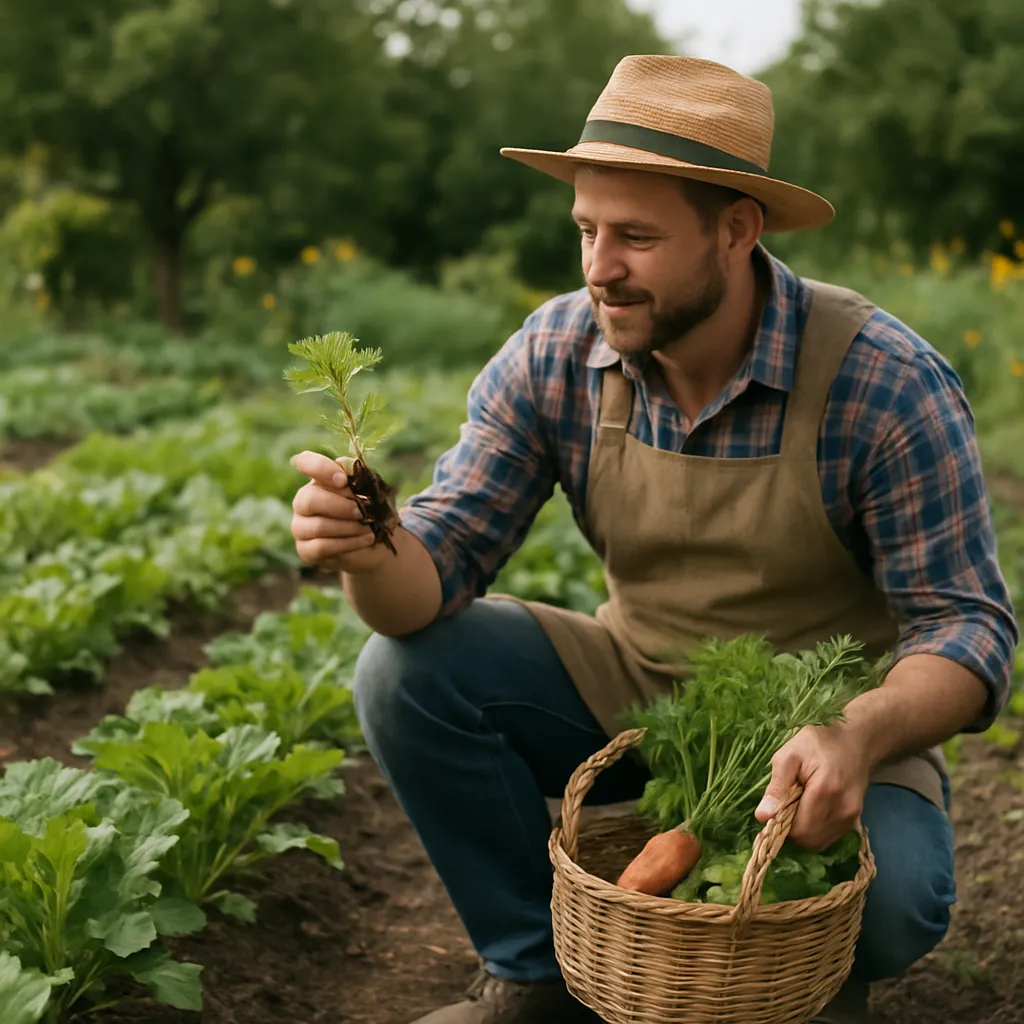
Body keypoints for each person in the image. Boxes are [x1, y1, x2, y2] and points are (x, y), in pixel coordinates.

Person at [289, 55, 1018, 1024]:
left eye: (634, 235)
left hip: (829, 731)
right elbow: (432, 578)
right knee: (402, 671)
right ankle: (538, 974)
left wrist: (857, 732)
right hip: (633, 691)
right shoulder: (556, 354)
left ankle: (800, 983)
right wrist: (368, 546)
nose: (597, 266)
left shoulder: (878, 381)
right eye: (586, 229)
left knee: (887, 909)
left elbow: (965, 629)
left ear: (735, 229)